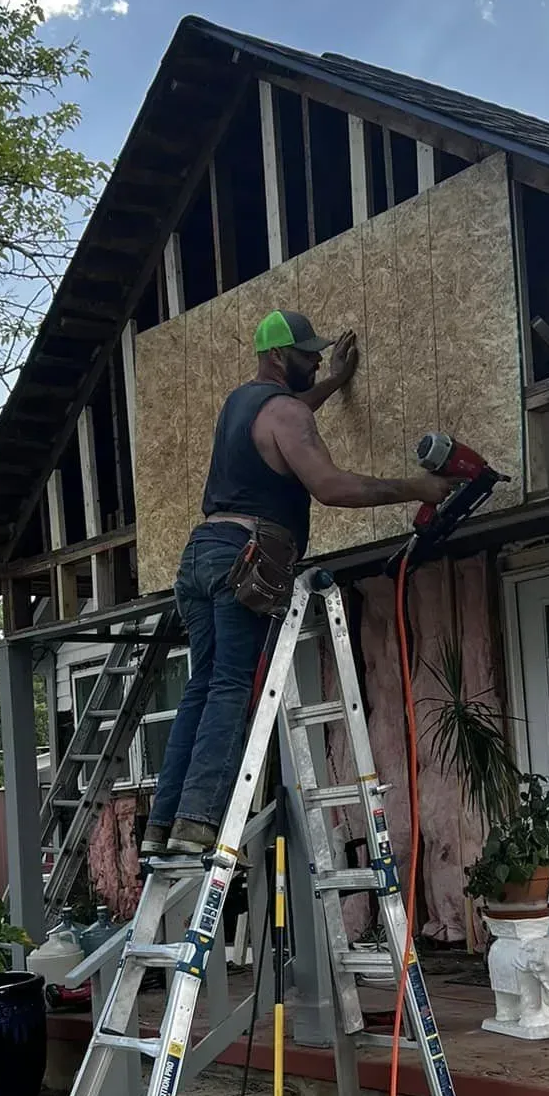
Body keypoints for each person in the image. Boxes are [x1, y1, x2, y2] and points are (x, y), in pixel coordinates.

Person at [143, 309, 453, 858]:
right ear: (278, 356)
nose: (314, 358)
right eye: (307, 353)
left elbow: (291, 412)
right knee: (231, 687)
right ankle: (197, 821)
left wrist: (333, 380)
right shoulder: (284, 411)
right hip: (246, 556)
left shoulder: (242, 403)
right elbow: (330, 486)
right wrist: (419, 487)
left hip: (200, 557)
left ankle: (164, 821)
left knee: (203, 685)